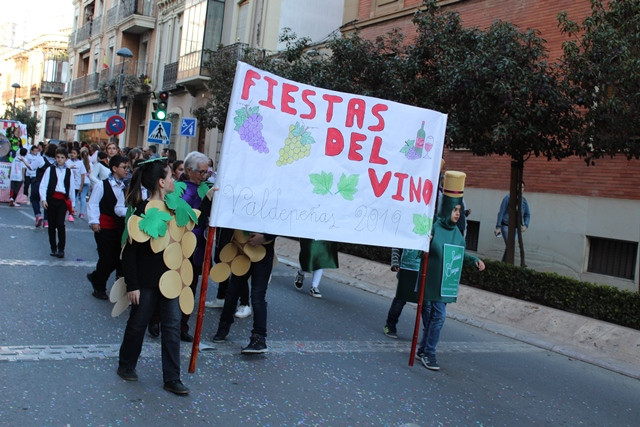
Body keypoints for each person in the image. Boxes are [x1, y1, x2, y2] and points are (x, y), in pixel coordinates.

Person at [117, 158, 189, 395]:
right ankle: (126, 365)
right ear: (161, 182)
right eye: (170, 176)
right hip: (146, 282)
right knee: (138, 324)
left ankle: (172, 377)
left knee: (172, 327)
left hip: (170, 280)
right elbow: (129, 253)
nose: (173, 180)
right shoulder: (140, 210)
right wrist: (133, 285)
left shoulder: (175, 208)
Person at [414, 171, 485, 371]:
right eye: (454, 209)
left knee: (439, 317)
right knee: (431, 319)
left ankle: (427, 352)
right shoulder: (432, 228)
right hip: (428, 282)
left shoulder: (457, 233)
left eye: (459, 210)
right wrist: (423, 245)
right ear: (446, 209)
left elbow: (458, 253)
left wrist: (474, 261)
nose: (457, 213)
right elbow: (418, 254)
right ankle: (424, 350)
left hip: (444, 284)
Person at [212, 231, 277, 354]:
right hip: (242, 249)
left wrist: (265, 237)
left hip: (263, 251)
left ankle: (259, 338)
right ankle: (224, 326)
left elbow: (282, 222)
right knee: (232, 291)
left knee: (257, 296)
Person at [86, 155, 128, 300]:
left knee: (117, 258)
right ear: (114, 168)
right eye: (124, 167)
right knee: (106, 258)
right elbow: (93, 203)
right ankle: (99, 288)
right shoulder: (101, 185)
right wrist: (94, 221)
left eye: (127, 167)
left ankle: (96, 276)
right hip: (104, 226)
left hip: (118, 228)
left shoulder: (124, 186)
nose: (126, 170)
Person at [39, 146, 76, 258]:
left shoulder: (69, 172)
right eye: (58, 157)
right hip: (51, 200)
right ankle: (53, 247)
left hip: (62, 201)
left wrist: (72, 205)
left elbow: (71, 189)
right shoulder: (50, 169)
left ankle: (61, 249)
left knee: (60, 224)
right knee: (52, 225)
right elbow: (44, 185)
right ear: (55, 157)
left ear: (66, 159)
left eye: (62, 157)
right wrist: (43, 199)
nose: (60, 159)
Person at [383, 247, 422, 339]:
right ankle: (390, 326)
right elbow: (398, 243)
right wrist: (395, 262)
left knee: (426, 304)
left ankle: (428, 336)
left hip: (424, 270)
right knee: (400, 299)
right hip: (407, 268)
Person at [495, 182, 531, 262]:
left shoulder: (524, 201)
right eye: (518, 187)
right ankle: (506, 265)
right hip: (506, 226)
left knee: (510, 247)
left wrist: (526, 225)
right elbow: (501, 212)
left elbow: (527, 214)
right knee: (510, 245)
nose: (520, 189)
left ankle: (503, 265)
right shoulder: (508, 198)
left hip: (516, 228)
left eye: (522, 187)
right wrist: (498, 227)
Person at [65, 147, 87, 222]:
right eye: (71, 153)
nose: (72, 154)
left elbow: (82, 175)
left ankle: (71, 213)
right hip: (67, 184)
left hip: (76, 184)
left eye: (74, 153)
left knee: (73, 198)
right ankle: (68, 210)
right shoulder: (67, 162)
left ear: (78, 155)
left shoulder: (80, 163)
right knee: (66, 198)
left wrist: (81, 185)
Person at [26, 145, 45, 225]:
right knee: (46, 201)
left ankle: (38, 215)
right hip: (47, 183)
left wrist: (23, 161)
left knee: (34, 198)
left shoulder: (40, 159)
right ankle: (46, 221)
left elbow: (30, 167)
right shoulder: (55, 162)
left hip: (36, 179)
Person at [76, 148, 91, 219]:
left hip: (79, 181)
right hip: (87, 182)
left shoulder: (79, 162)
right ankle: (82, 213)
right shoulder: (90, 163)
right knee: (83, 197)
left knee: (76, 196)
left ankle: (74, 210)